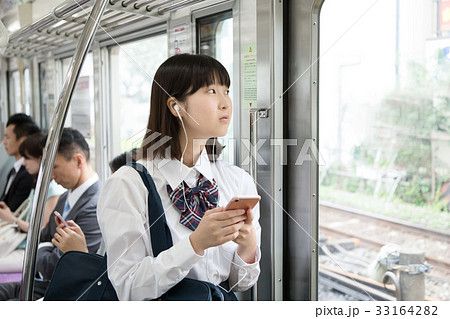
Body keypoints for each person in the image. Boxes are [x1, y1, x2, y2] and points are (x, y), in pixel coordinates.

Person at [97, 54, 261, 301]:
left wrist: (247, 246)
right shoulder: (128, 184)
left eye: (226, 91)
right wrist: (195, 245)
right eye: (211, 91)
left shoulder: (236, 180)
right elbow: (128, 287)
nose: (226, 102)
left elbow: (239, 284)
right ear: (176, 107)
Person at [0, 128, 102, 300]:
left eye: (54, 167)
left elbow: (56, 266)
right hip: (42, 284)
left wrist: (42, 249)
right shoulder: (65, 197)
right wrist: (46, 249)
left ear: (78, 161)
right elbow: (42, 237)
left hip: (63, 293)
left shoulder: (95, 207)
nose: (52, 175)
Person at [0, 133, 65, 273]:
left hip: (28, 249)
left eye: (27, 158)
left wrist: (12, 219)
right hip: (20, 244)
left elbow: (41, 231)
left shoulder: (52, 189)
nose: (24, 163)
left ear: (40, 159)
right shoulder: (37, 184)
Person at [52, 149, 137, 254]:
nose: (111, 193)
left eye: (115, 186)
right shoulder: (64, 197)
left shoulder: (95, 206)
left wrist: (80, 252)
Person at [1, 114, 40, 211]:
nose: (4, 142)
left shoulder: (28, 174)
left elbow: (12, 209)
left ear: (23, 140)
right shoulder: (14, 171)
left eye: (7, 137)